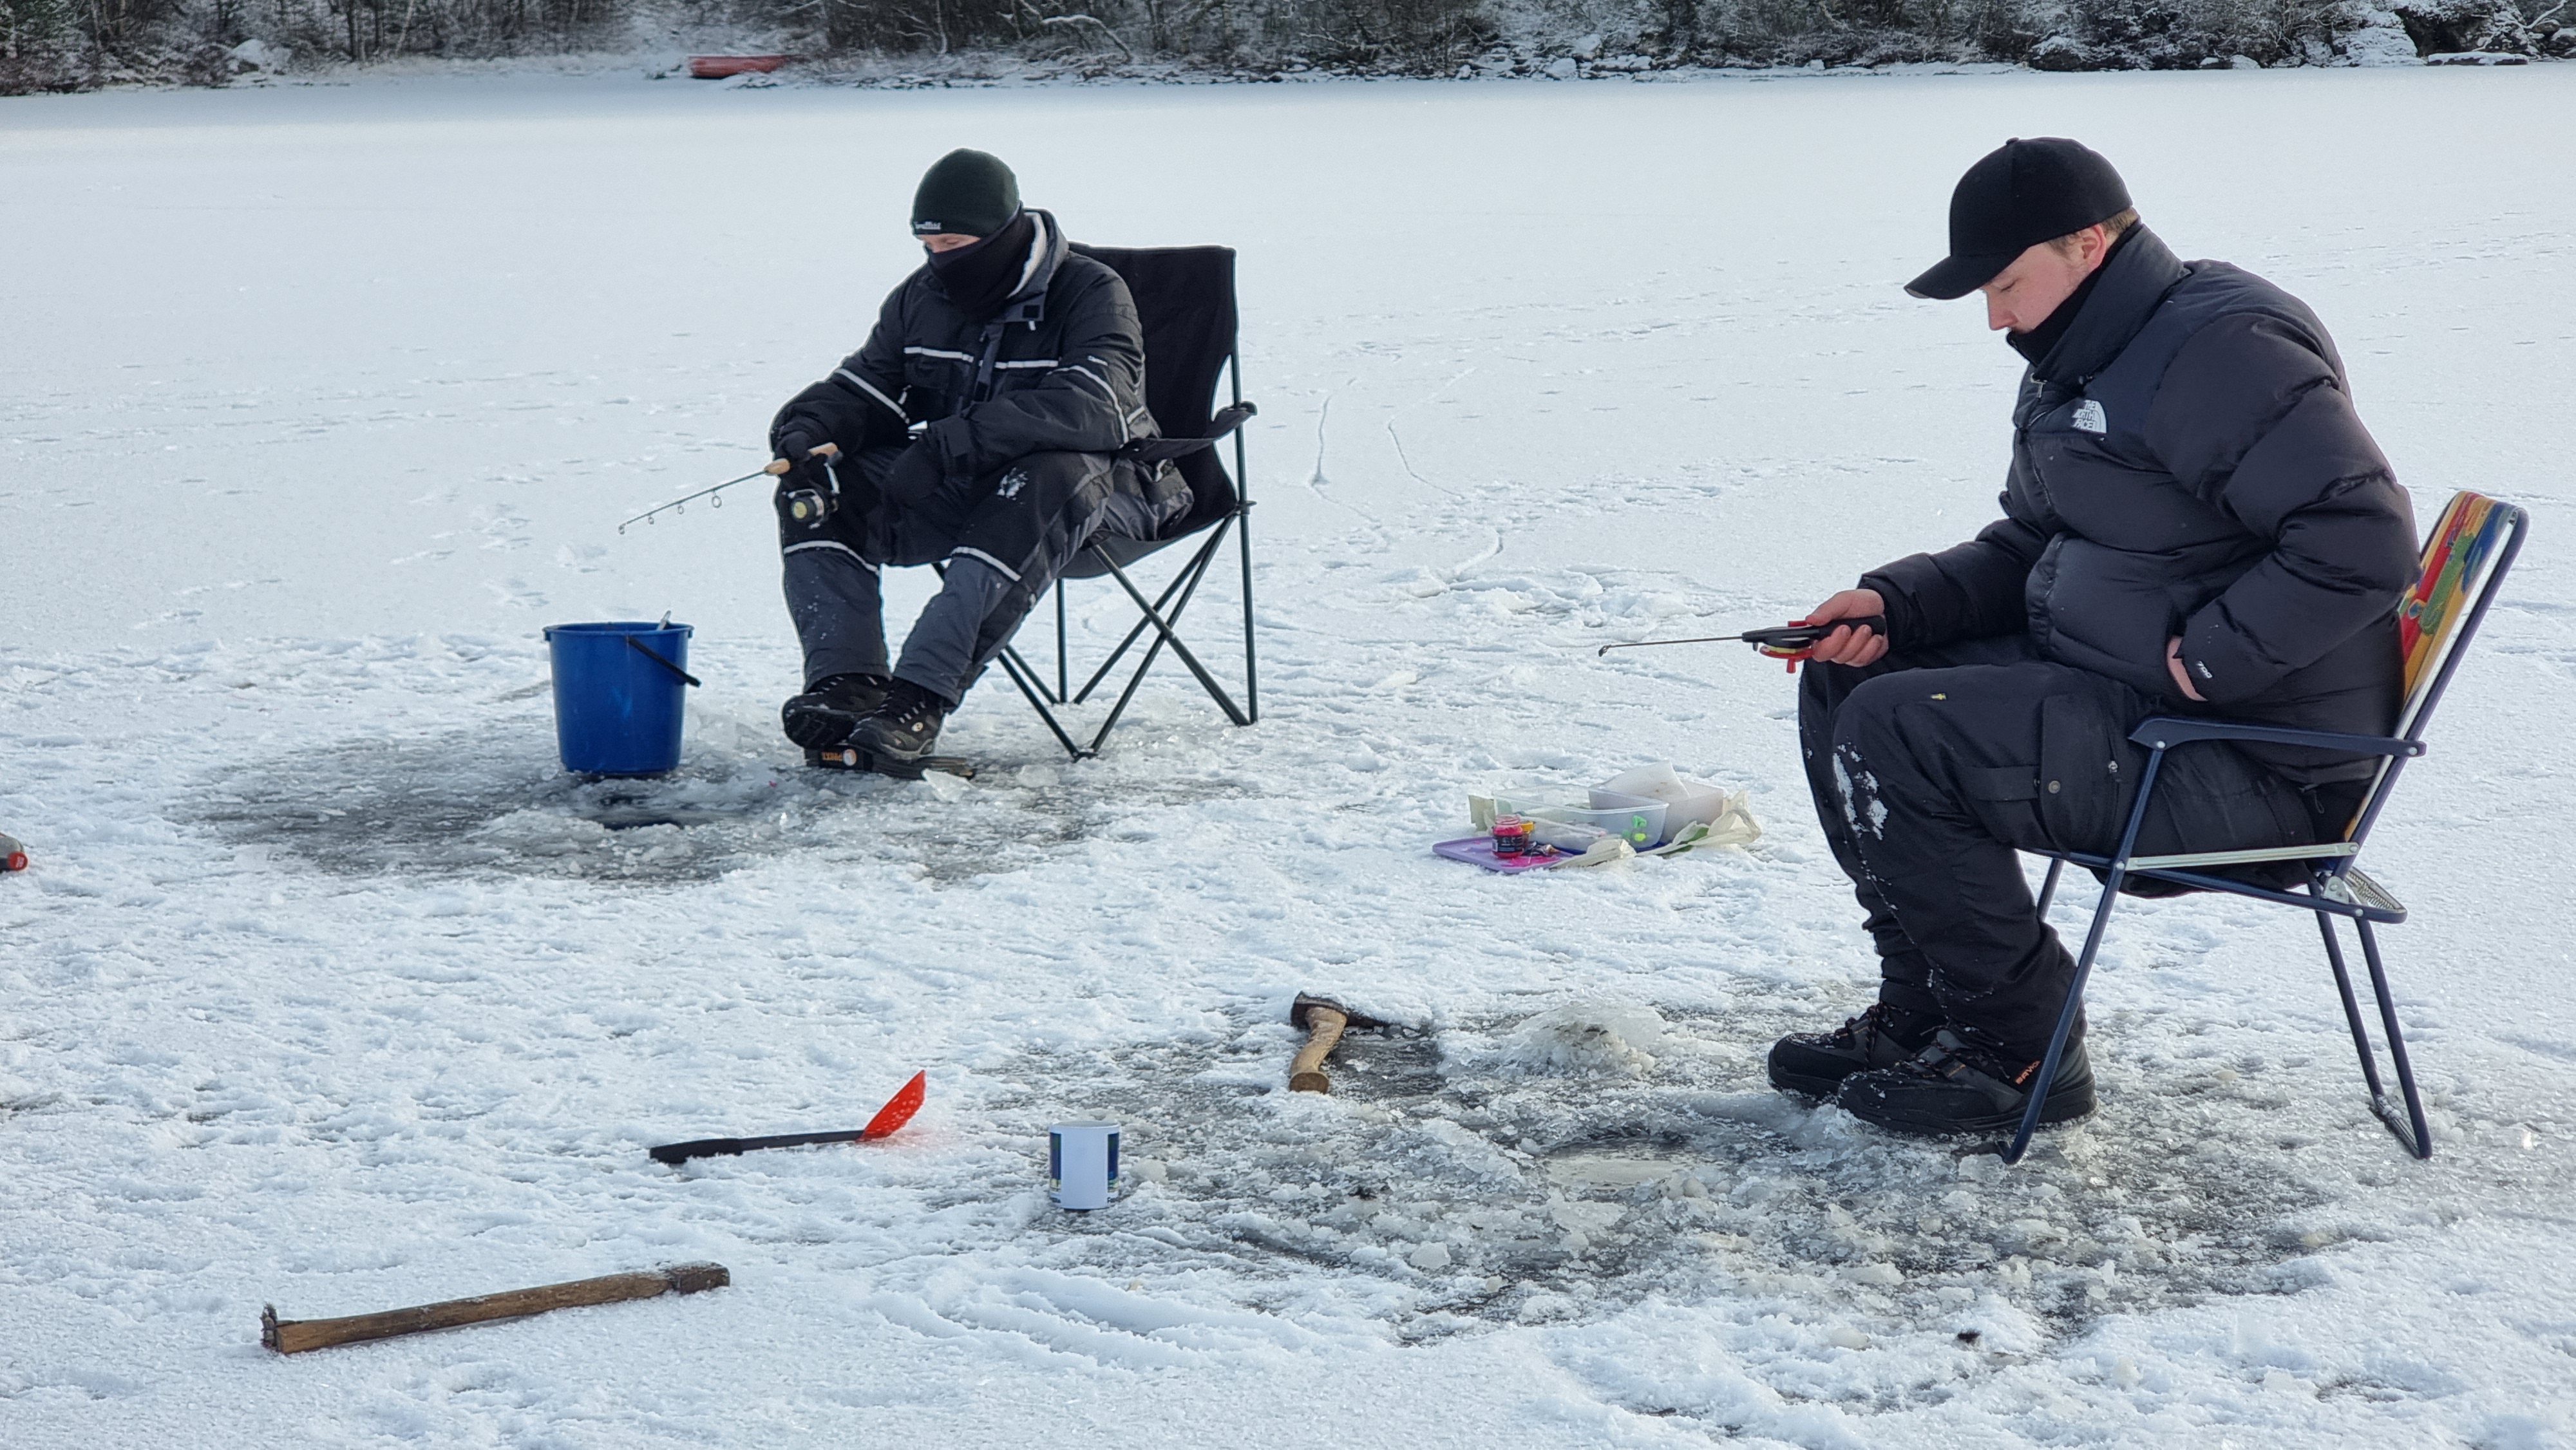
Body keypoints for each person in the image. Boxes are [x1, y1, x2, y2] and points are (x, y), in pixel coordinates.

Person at [1768, 138, 2419, 1136]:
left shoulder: (2217, 348)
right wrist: (1893, 608)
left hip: (2249, 758)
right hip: (2138, 706)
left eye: (2006, 284)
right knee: (1855, 683)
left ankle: (2019, 1047)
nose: (1994, 318)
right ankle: (1928, 1011)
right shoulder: (2084, 355)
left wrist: (2213, 656)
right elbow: (2036, 541)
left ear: (2086, 244)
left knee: (1902, 729)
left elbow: (2361, 537)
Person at [766, 149, 1186, 762]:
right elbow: (868, 385)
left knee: (1045, 476)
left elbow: (1097, 408)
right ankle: (848, 682)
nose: (942, 262)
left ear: (1004, 234)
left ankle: (918, 699)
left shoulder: (1093, 291)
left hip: (1118, 493)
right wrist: (808, 430)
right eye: (929, 246)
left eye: (956, 244)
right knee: (823, 488)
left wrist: (951, 441)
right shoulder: (922, 295)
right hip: (971, 485)